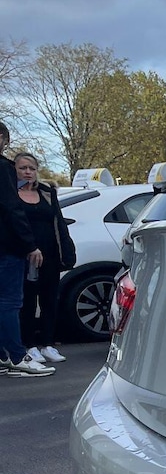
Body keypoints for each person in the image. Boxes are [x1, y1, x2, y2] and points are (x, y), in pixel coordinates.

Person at [0, 122, 53, 377]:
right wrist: (30, 244)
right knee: (10, 302)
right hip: (7, 246)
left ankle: (2, 356)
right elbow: (12, 208)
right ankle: (18, 356)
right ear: (4, 139)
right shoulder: (3, 168)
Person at [15, 152, 75, 363]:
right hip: (24, 256)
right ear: (15, 170)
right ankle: (29, 345)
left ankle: (48, 344)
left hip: (50, 253)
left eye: (31, 168)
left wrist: (66, 251)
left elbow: (57, 221)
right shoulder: (11, 194)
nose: (28, 172)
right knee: (27, 302)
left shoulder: (47, 192)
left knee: (50, 299)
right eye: (23, 168)